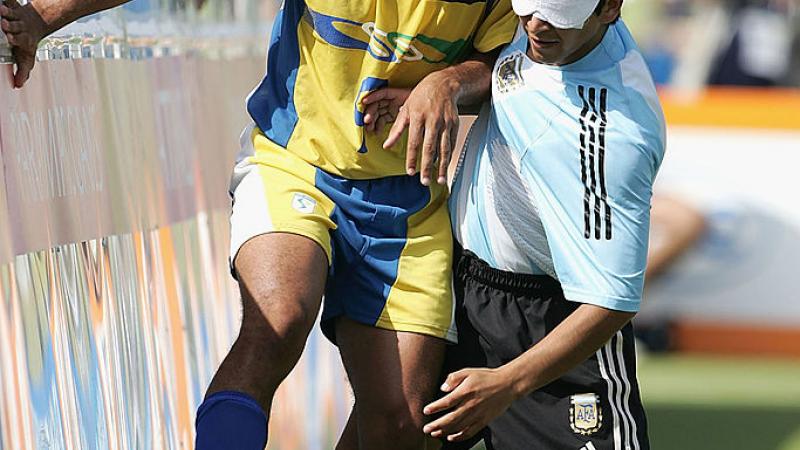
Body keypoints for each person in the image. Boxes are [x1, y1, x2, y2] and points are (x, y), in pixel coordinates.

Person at [1, 0, 519, 449]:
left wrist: (446, 83)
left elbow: (504, 59)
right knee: (280, 318)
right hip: (292, 161)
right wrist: (42, 18)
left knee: (401, 425)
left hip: (409, 199)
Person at [368, 0, 665, 448]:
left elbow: (612, 302)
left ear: (609, 9)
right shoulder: (530, 28)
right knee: (384, 436)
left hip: (555, 325)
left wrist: (508, 383)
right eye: (530, 6)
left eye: (558, 12)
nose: (538, 24)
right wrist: (442, 87)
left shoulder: (618, 135)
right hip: (460, 286)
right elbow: (500, 72)